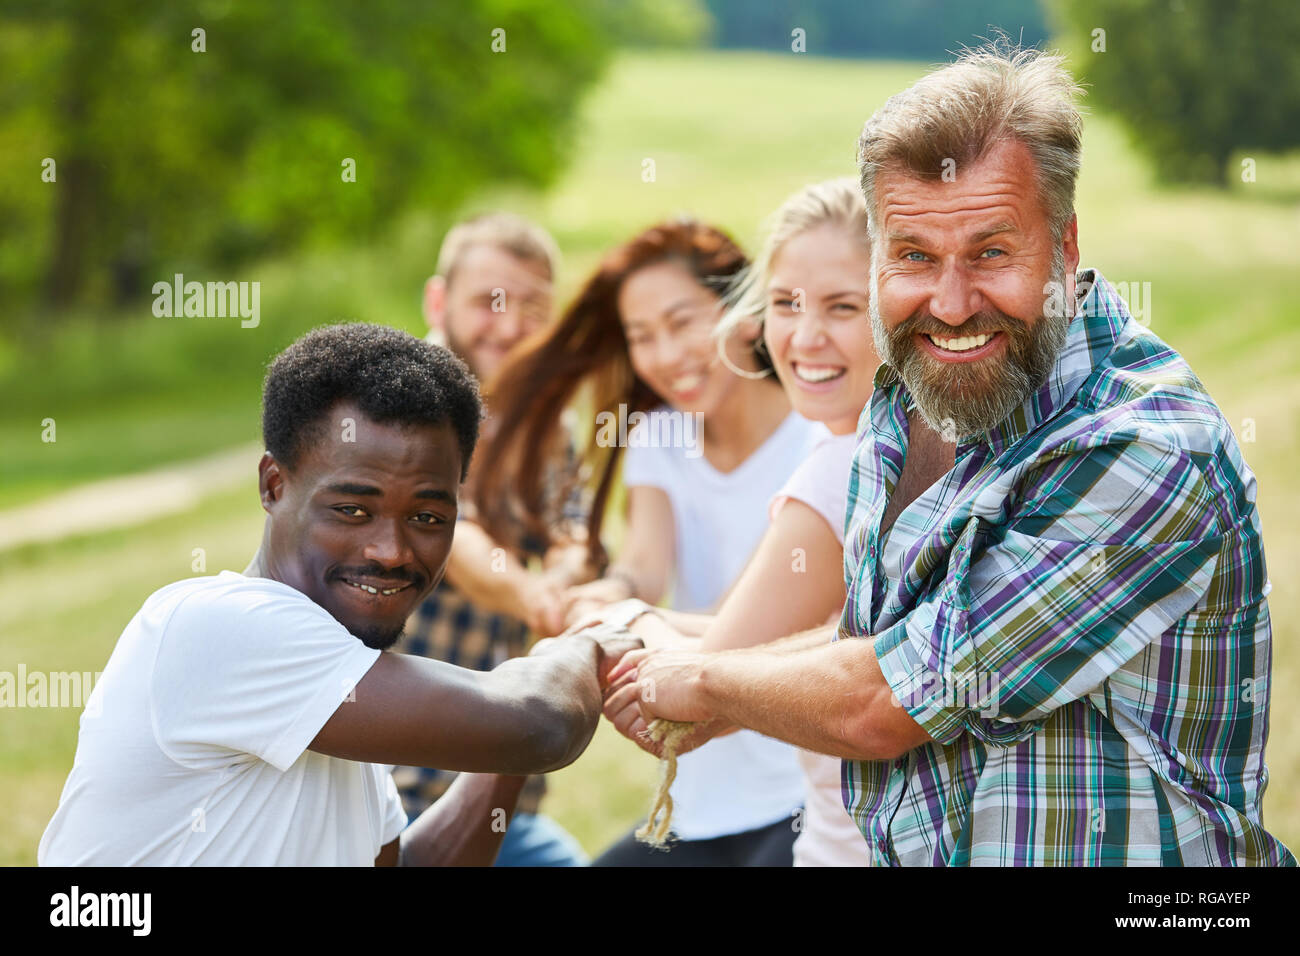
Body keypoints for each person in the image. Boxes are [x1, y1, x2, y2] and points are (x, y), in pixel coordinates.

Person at [609, 43, 1296, 866]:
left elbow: (887, 702)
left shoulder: (1143, 448)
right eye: (913, 256)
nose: (951, 302)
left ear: (1066, 244)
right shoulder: (908, 394)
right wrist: (720, 691)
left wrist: (706, 682)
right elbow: (887, 639)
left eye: (993, 253)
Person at [38, 324, 635, 866]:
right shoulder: (225, 627)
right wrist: (586, 647)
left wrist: (518, 721)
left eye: (428, 517)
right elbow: (540, 724)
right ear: (275, 485)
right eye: (353, 509)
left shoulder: (338, 687)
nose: (392, 550)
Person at [476, 219, 821, 865]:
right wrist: (593, 597)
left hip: (803, 799)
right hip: (700, 806)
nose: (665, 355)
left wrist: (628, 618)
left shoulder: (815, 439)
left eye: (682, 321)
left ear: (745, 312)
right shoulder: (660, 436)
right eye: (641, 336)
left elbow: (747, 618)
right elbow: (642, 567)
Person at [598, 178, 894, 865]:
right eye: (787, 304)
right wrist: (631, 602)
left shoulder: (835, 463)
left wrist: (631, 625)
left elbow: (701, 686)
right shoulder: (866, 441)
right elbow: (820, 641)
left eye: (843, 307)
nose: (808, 335)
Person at [394, 212, 594, 867]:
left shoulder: (547, 423)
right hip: (380, 783)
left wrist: (559, 582)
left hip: (496, 794)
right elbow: (457, 538)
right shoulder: (396, 401)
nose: (509, 327)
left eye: (532, 307)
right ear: (436, 301)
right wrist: (535, 596)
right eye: (489, 302)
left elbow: (575, 536)